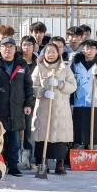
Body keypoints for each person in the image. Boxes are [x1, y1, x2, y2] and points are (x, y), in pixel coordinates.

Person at [0, 37, 34, 177]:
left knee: (15, 141)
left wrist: (28, 104)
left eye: (11, 47)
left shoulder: (22, 65)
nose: (7, 50)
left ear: (15, 49)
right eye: (4, 46)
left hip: (16, 109)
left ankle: (13, 166)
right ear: (0, 48)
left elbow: (28, 86)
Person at [31, 42, 77, 174]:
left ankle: (60, 162)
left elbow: (73, 86)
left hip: (60, 108)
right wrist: (43, 92)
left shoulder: (65, 68)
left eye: (53, 52)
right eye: (47, 52)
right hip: (43, 107)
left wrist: (60, 84)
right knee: (42, 135)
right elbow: (32, 86)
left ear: (58, 53)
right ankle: (42, 162)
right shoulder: (39, 68)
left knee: (60, 135)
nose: (50, 54)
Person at [70, 41, 97, 150]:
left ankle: (94, 152)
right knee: (79, 132)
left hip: (96, 103)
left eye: (92, 48)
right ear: (82, 50)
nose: (89, 51)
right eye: (86, 48)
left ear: (96, 50)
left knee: (94, 132)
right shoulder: (75, 65)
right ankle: (78, 153)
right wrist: (71, 103)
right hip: (79, 103)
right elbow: (70, 83)